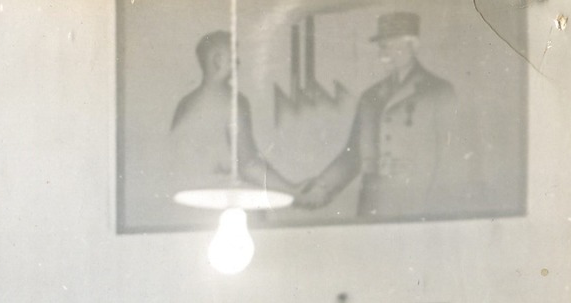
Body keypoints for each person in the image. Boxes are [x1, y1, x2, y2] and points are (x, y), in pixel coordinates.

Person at [293, 11, 458, 220]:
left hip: (419, 206)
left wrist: (440, 212)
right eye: (381, 47)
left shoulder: (439, 92)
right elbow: (353, 154)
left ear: (413, 46)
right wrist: (321, 188)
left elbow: (450, 160)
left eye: (389, 46)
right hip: (374, 205)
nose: (382, 55)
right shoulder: (370, 97)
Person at [168, 30, 297, 196]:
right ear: (218, 60)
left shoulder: (184, 103)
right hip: (215, 199)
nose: (238, 62)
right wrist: (292, 189)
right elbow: (249, 165)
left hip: (181, 202)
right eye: (233, 56)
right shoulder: (233, 100)